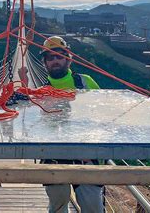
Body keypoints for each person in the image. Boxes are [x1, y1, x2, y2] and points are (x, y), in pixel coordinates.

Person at [38, 36, 103, 213]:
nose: (55, 60)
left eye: (59, 55)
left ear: (68, 58)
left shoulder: (86, 82)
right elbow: (40, 127)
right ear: (45, 63)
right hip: (54, 153)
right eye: (50, 57)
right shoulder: (40, 91)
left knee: (93, 207)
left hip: (86, 152)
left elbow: (102, 116)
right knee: (58, 207)